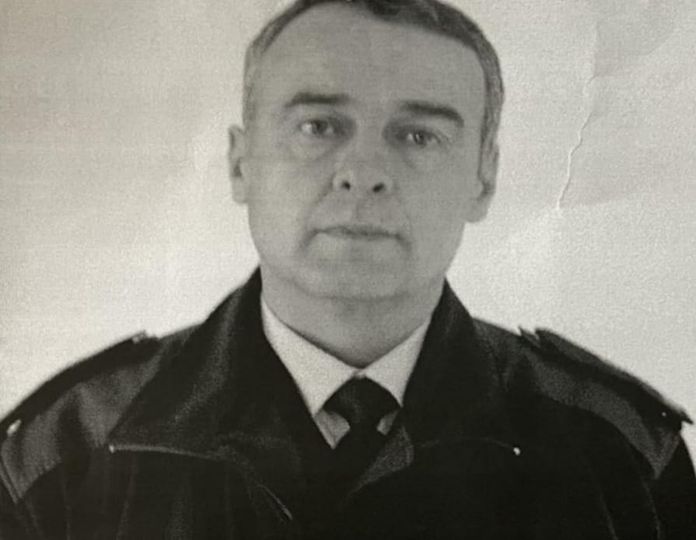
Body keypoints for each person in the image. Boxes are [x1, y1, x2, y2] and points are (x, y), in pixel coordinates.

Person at [1, 0, 694, 537]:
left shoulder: (619, 456)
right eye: (319, 126)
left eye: (418, 135)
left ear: (483, 179)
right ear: (241, 164)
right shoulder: (68, 451)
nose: (363, 172)